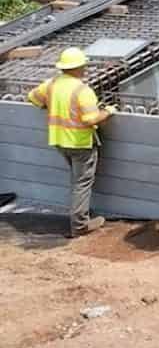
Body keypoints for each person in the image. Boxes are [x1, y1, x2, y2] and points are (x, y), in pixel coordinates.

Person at [26, 48, 112, 237]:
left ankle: (81, 214)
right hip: (79, 143)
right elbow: (91, 119)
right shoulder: (83, 90)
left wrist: (49, 105)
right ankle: (80, 225)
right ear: (80, 67)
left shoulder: (51, 84)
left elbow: (32, 98)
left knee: (77, 181)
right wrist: (108, 112)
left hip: (59, 140)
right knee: (81, 183)